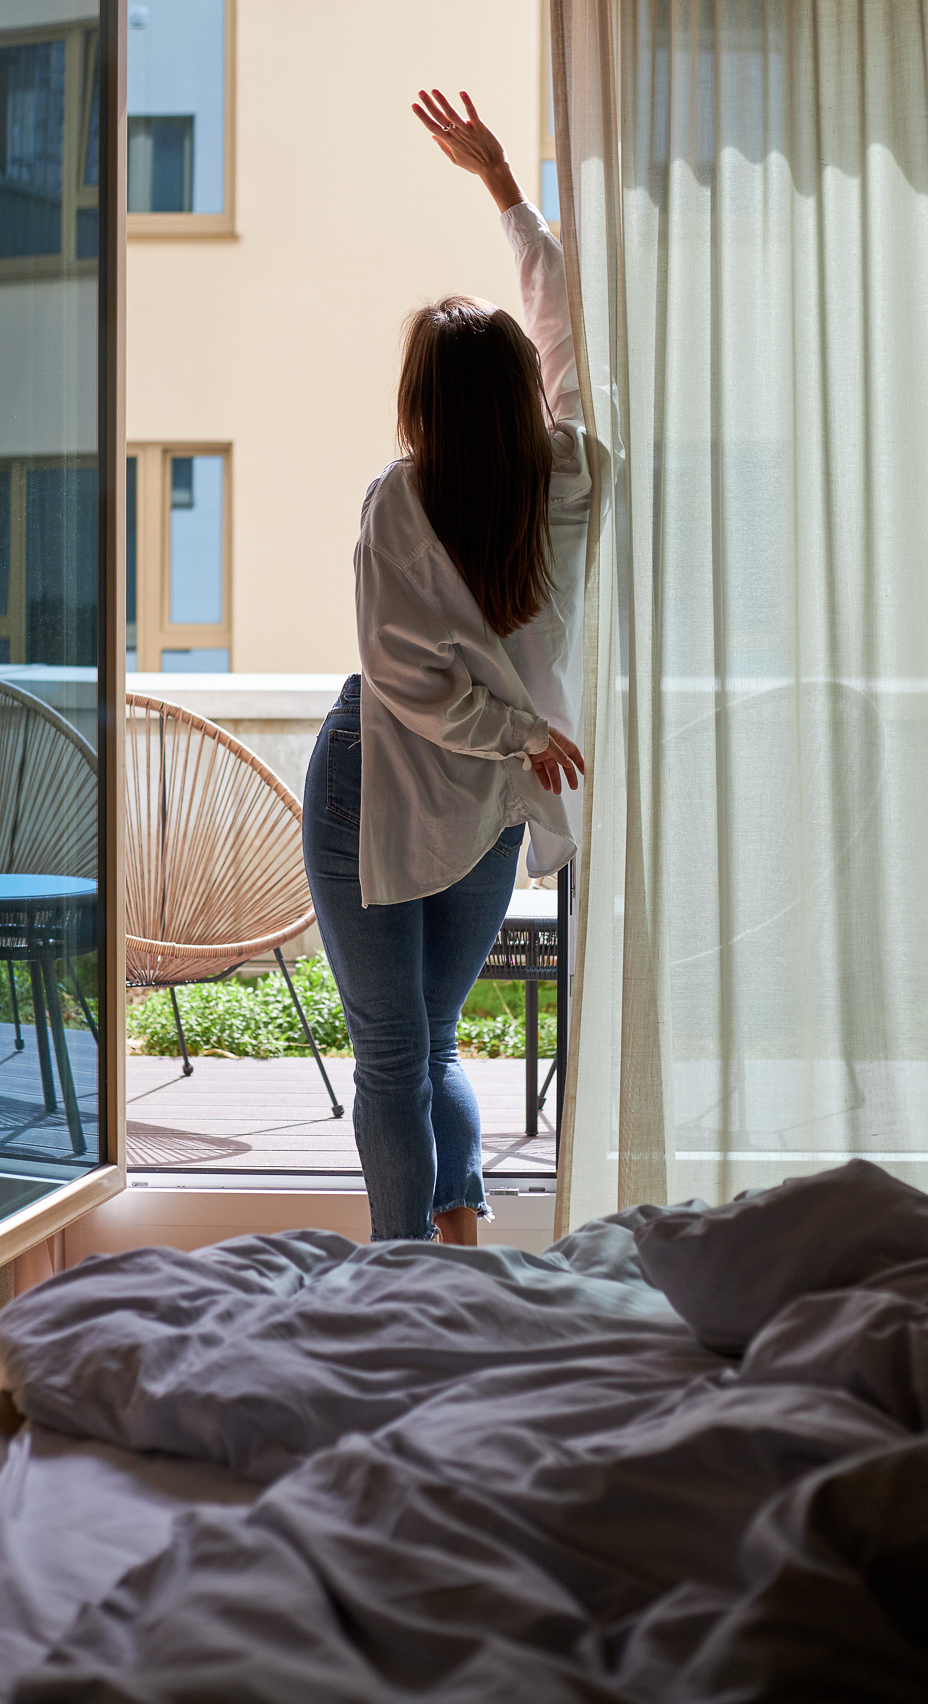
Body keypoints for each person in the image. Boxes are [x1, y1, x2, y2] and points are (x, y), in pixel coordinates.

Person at [303, 89, 590, 1247]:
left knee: (399, 1049)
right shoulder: (572, 478)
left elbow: (403, 680)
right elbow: (565, 317)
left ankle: (403, 1277)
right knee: (427, 1041)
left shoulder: (399, 499)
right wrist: (504, 189)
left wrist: (517, 735)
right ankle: (454, 1251)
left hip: (376, 774)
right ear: (524, 395)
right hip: (475, 796)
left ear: (421, 401)